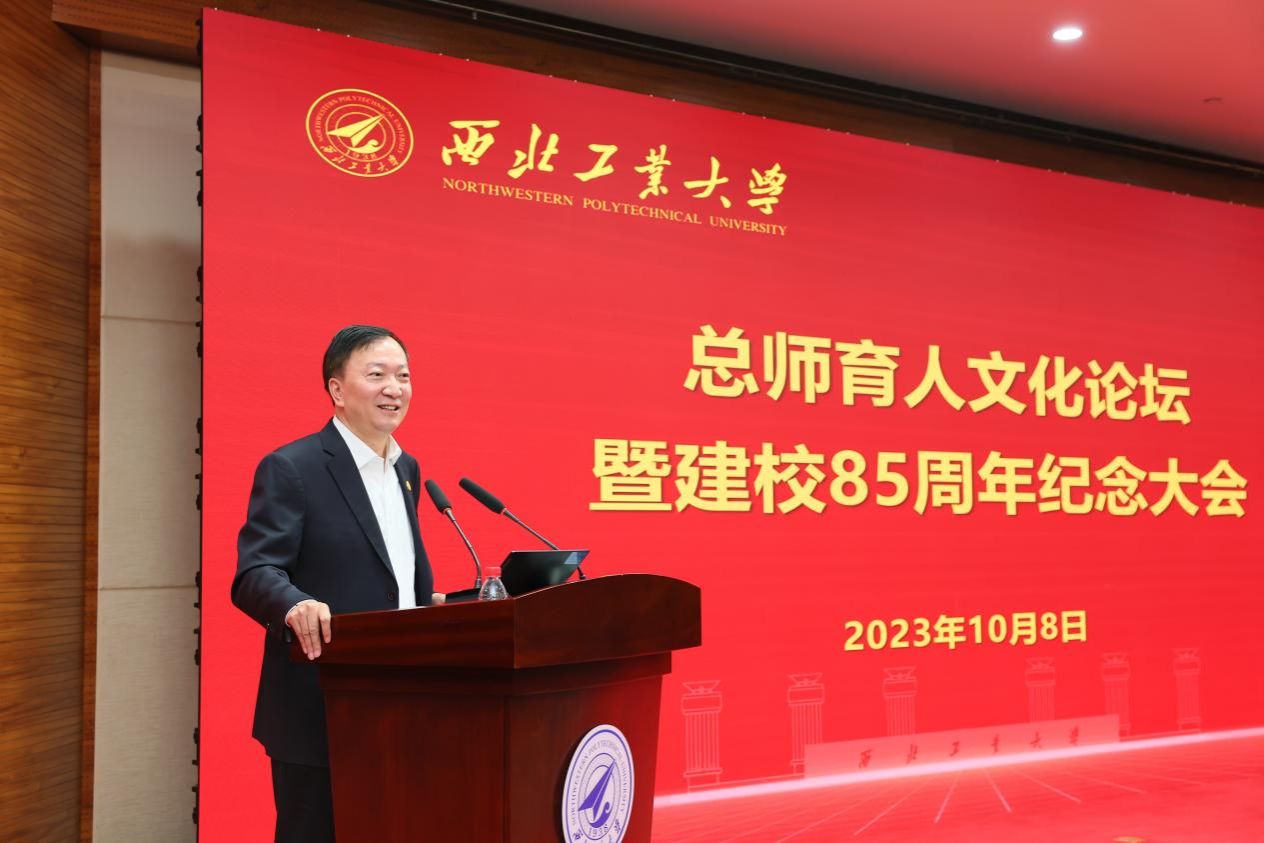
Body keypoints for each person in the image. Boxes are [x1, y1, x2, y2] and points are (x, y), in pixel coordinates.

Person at [231, 325, 435, 842]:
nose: (395, 388)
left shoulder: (406, 469)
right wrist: (295, 604)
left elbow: (386, 575)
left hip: (401, 704)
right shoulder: (292, 468)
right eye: (377, 374)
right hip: (319, 707)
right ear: (337, 390)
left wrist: (423, 604)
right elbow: (255, 573)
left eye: (404, 376)